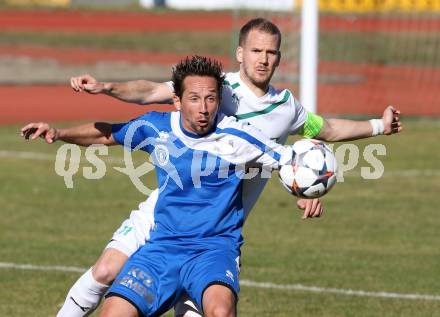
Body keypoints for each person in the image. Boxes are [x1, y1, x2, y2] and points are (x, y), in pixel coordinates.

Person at [64, 18, 402, 317]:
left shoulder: (286, 108)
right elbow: (152, 90)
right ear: (241, 53)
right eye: (256, 51)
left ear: (279, 58)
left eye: (270, 52)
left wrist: (375, 128)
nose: (263, 59)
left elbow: (326, 131)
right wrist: (107, 87)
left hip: (219, 226)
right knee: (106, 270)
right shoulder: (216, 88)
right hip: (169, 208)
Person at [22, 55, 302, 317]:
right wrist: (59, 133)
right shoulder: (156, 127)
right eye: (194, 99)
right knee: (114, 310)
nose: (204, 108)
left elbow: (291, 160)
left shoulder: (238, 136)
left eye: (210, 99)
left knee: (221, 312)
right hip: (163, 247)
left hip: (213, 250)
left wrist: (306, 188)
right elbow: (107, 134)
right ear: (177, 101)